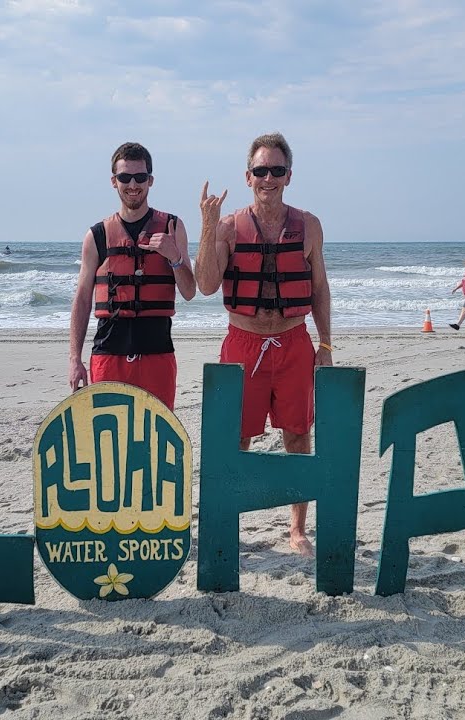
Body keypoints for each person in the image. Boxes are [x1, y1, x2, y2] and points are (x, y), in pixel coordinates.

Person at [194, 132, 332, 557]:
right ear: (248, 175)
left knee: (297, 435)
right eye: (260, 170)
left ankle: (296, 530)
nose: (267, 178)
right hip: (243, 344)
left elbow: (320, 287)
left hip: (294, 342)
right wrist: (206, 225)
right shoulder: (230, 227)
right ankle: (229, 526)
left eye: (276, 170)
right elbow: (205, 284)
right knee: (236, 438)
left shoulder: (308, 225)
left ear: (288, 176)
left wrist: (325, 346)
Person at [68, 142, 196, 410]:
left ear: (150, 180)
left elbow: (189, 291)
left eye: (140, 177)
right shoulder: (97, 235)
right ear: (114, 181)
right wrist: (74, 359)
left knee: (157, 438)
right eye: (125, 177)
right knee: (109, 441)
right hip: (108, 354)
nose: (133, 184)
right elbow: (81, 299)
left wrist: (174, 256)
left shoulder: (172, 226)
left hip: (158, 353)